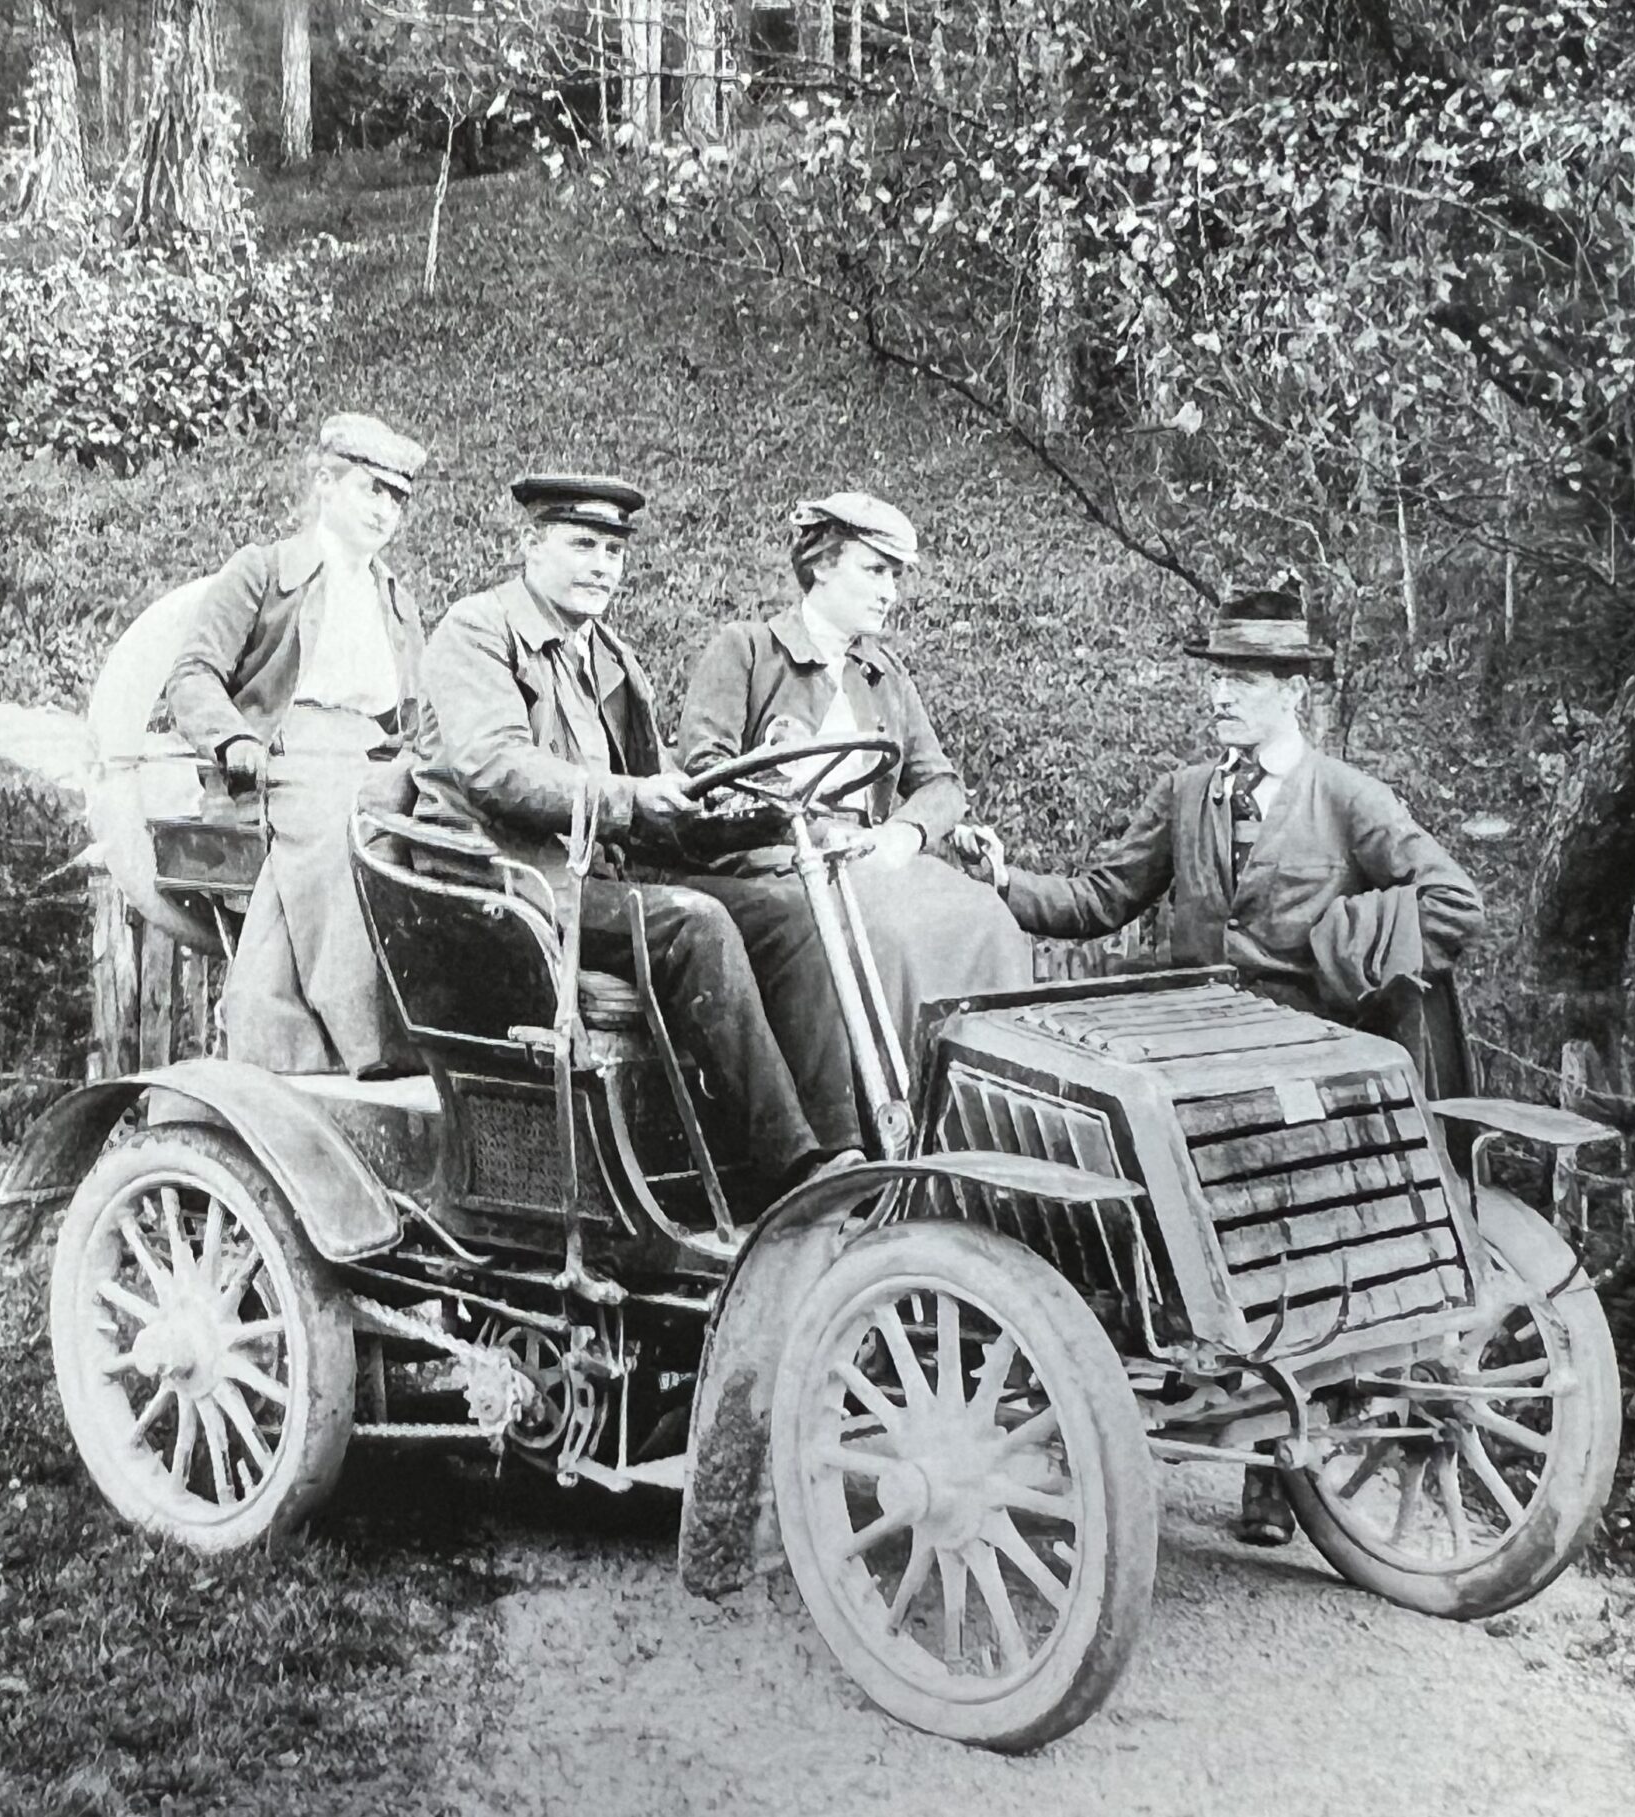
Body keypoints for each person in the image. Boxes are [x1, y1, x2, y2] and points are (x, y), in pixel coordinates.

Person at [961, 588, 1485, 1546]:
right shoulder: (1186, 790)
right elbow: (1102, 896)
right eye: (1214, 678)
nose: (1219, 697)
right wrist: (1001, 884)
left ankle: (1279, 1472)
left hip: (1298, 1061)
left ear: (1292, 693)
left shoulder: (1345, 796)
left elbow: (1452, 899)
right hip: (1185, 1051)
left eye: (1240, 681)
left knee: (1287, 1248)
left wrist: (1345, 945)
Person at [410, 472, 863, 1194]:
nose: (601, 565)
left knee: (789, 913)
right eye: (582, 543)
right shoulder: (478, 631)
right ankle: (791, 1170)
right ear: (531, 546)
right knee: (695, 922)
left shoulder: (610, 657)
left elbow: (661, 802)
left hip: (596, 880)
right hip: (506, 885)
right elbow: (494, 766)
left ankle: (843, 1155)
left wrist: (742, 814)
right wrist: (634, 800)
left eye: (614, 551)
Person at [679, 490, 1032, 1065]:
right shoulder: (747, 649)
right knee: (885, 934)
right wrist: (797, 816)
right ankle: (887, 1116)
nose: (889, 592)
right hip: (773, 862)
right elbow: (705, 765)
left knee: (988, 917)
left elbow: (942, 785)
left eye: (894, 576)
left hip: (868, 860)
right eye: (874, 571)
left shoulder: (883, 674)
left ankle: (981, 1102)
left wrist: (902, 836)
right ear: (821, 565)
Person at [164, 412, 428, 1077]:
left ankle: (300, 1046)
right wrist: (232, 738)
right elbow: (193, 675)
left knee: (441, 831)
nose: (385, 511)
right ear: (325, 484)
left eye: (397, 498)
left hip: (378, 751)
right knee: (349, 820)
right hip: (285, 754)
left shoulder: (395, 599)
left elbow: (418, 710)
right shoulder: (263, 571)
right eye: (371, 489)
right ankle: (373, 1041)